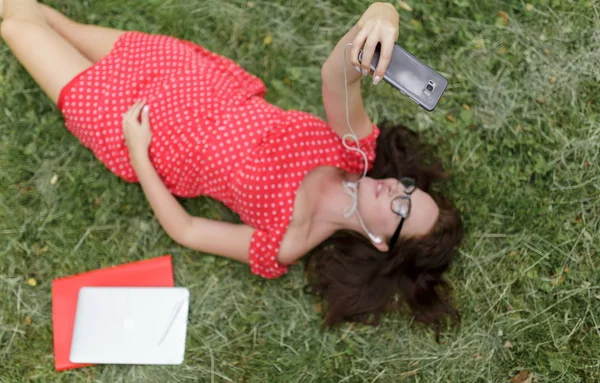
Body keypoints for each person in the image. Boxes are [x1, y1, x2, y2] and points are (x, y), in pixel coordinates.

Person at [1, 1, 463, 330]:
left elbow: (187, 231)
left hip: (134, 124)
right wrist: (381, 13)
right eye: (408, 188)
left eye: (402, 209)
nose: (394, 191)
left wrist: (138, 151)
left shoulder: (288, 242)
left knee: (18, 26)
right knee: (50, 20)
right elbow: (336, 74)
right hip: (179, 72)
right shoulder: (354, 150)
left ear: (383, 241)